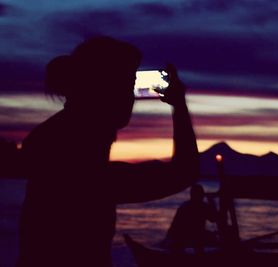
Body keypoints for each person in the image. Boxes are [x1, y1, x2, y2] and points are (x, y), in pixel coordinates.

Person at [17, 36, 199, 267]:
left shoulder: (56, 139)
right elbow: (183, 173)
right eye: (126, 83)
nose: (130, 97)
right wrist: (180, 107)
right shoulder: (76, 160)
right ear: (101, 87)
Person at [165, 184, 218, 253]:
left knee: (208, 236)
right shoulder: (202, 206)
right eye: (201, 194)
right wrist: (212, 202)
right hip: (186, 236)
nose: (202, 196)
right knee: (209, 238)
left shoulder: (185, 206)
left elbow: (213, 218)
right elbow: (214, 218)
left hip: (181, 235)